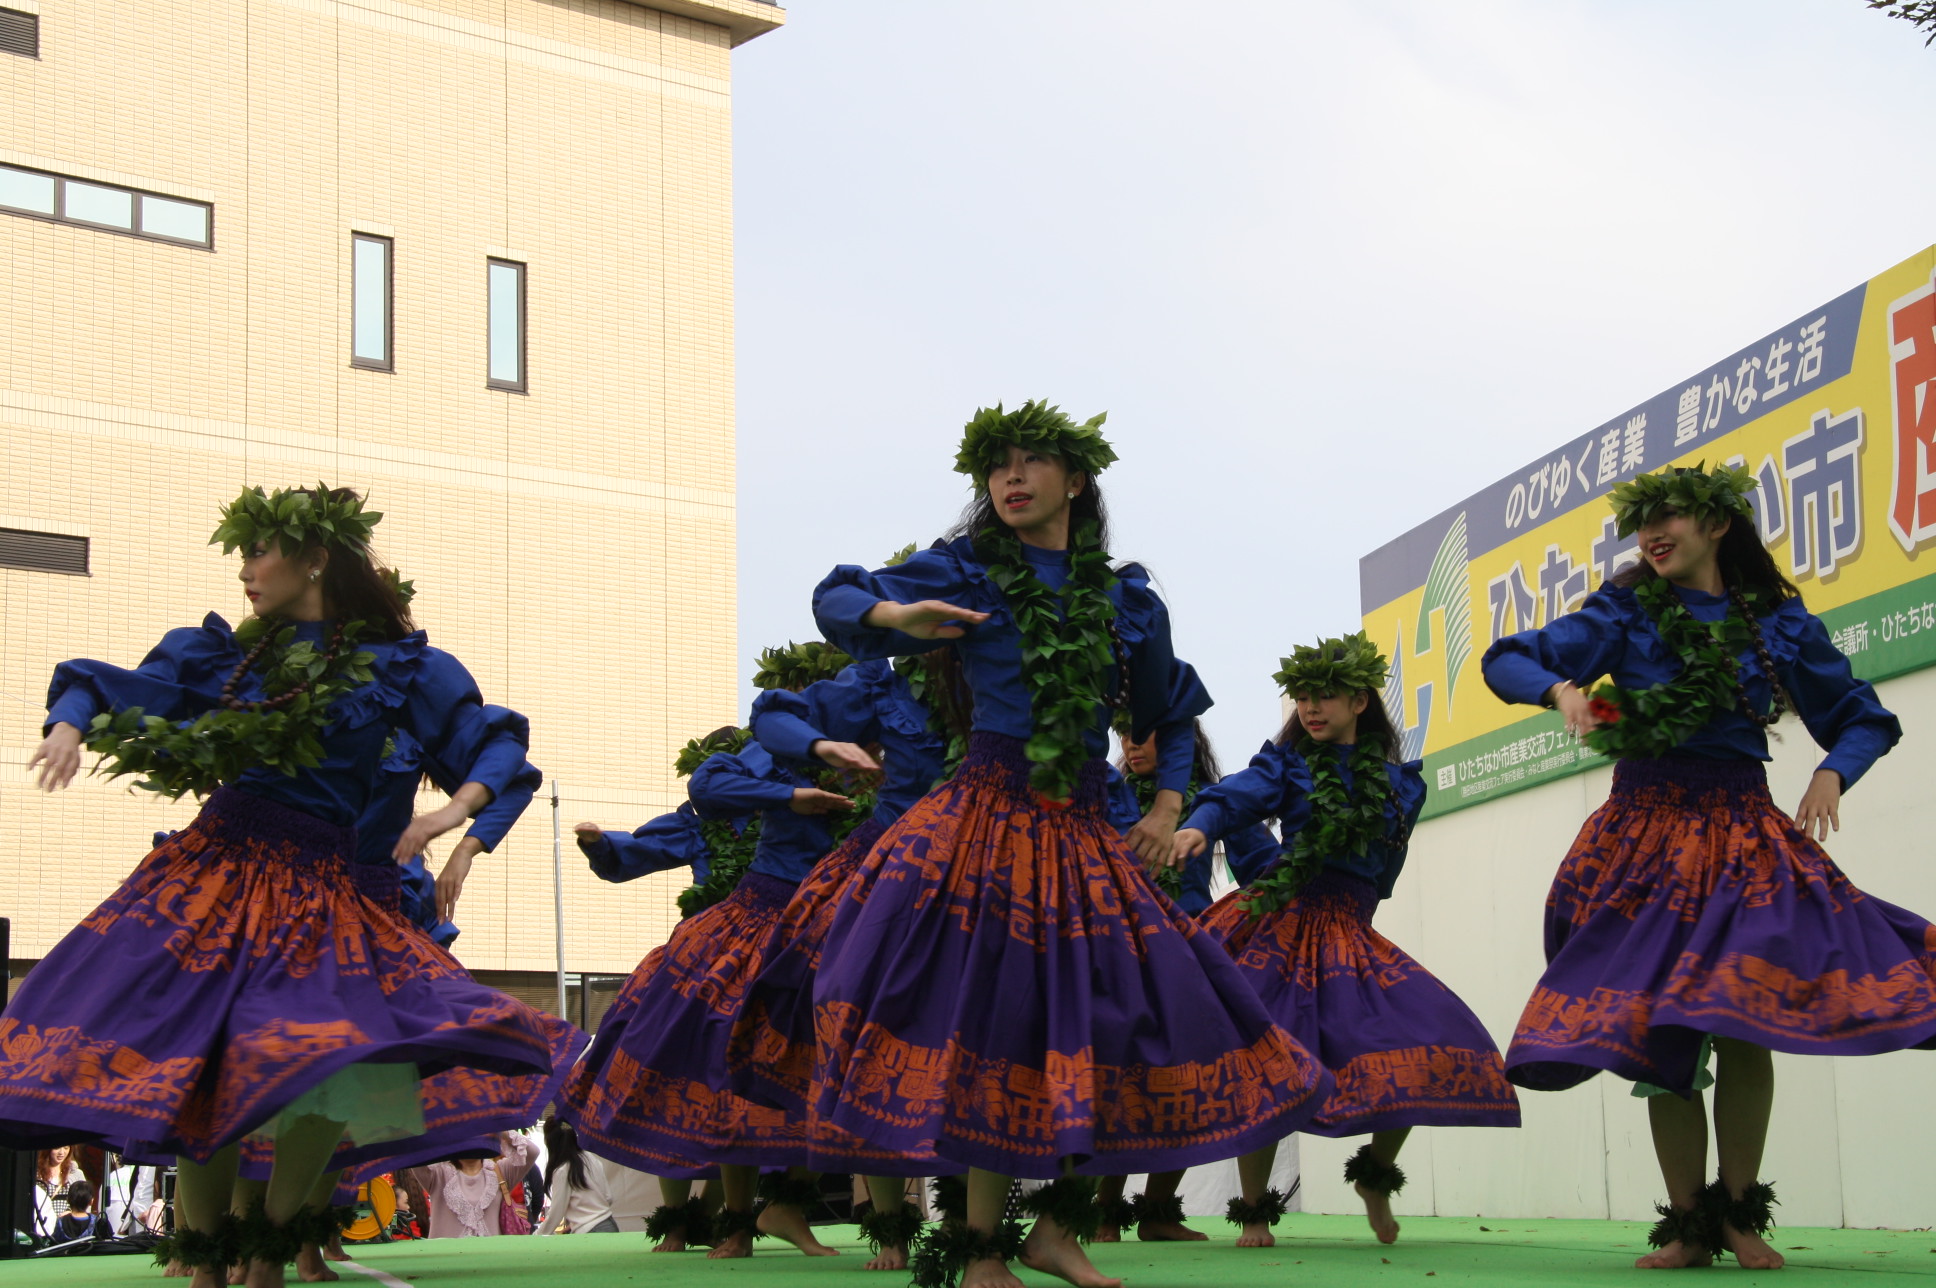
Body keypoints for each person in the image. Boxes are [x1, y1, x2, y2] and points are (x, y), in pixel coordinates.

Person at [807, 401, 1333, 1288]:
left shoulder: (1127, 601)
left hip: (1085, 825)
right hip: (987, 814)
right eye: (997, 467)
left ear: (1077, 481)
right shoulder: (968, 569)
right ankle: (982, 1250)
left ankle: (1055, 1227)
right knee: (992, 1017)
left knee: (1136, 1012)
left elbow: (1170, 710)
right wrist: (899, 617)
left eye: (1031, 462)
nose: (1011, 479)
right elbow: (838, 595)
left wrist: (1167, 807)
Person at [10, 485, 584, 1288]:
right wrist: (69, 726)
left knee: (328, 1066)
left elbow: (490, 741)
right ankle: (206, 1260)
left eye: (258, 553)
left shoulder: (397, 668)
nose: (245, 570)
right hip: (216, 872)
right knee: (211, 1059)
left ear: (314, 560)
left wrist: (453, 816)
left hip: (319, 886)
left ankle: (273, 1250)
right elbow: (115, 687)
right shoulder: (225, 656)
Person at [1481, 462, 1932, 1271]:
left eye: (1672, 519)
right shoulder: (1624, 611)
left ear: (1717, 525)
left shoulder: (1776, 624)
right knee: (1666, 1031)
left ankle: (1739, 1210)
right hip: (1647, 835)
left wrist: (1833, 772)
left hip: (1743, 832)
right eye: (1644, 523)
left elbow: (1862, 716)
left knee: (1743, 1015)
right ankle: (1689, 1223)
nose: (1653, 535)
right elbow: (1508, 657)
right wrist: (1561, 692)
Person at [1174, 633, 1520, 1249]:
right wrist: (1200, 824)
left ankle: (1374, 1176)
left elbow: (1385, 872)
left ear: (1360, 702)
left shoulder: (1401, 785)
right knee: (1267, 1060)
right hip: (1280, 923)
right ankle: (1254, 1211)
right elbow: (1236, 797)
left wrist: (1354, 918)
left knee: (1427, 1039)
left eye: (1326, 696)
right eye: (1303, 696)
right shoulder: (1289, 765)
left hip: (1348, 931)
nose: (1310, 707)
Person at [558, 644, 861, 1262]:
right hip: (734, 940)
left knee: (824, 1068)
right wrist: (603, 845)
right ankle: (688, 1218)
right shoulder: (731, 800)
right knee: (696, 1075)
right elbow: (656, 838)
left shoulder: (875, 759)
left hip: (827, 927)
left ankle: (768, 1208)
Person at [730, 629, 968, 1271]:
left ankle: (970, 1226)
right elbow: (762, 732)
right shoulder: (882, 686)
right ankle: (889, 1228)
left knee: (968, 1045)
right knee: (874, 1041)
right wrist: (819, 752)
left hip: (977, 875)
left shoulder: (1007, 683)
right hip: (891, 875)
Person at [1092, 718, 1281, 1244]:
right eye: (1123, 734)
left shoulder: (1208, 803)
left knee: (1185, 1078)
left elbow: (1266, 866)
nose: (1131, 744)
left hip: (1187, 954)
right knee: (1119, 1077)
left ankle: (1157, 1210)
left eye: (1144, 733)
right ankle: (1103, 1209)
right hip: (1120, 950)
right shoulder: (1104, 793)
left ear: (1180, 739)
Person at [416, 1132, 540, 1239]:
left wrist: (499, 1127)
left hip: (490, 1256)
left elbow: (533, 1151)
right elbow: (414, 1151)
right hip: (446, 1257)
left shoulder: (500, 1171)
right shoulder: (437, 1173)